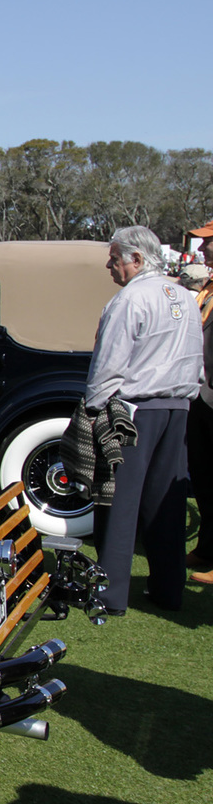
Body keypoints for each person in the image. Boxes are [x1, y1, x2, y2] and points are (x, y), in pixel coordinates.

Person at [84, 226, 202, 615]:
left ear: (136, 259)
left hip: (134, 409)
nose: (109, 265)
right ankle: (169, 589)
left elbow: (110, 361)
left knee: (119, 501)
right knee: (164, 502)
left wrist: (93, 407)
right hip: (178, 406)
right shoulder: (184, 296)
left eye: (114, 258)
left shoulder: (129, 300)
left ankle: (110, 594)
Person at [189, 238, 213, 582]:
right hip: (201, 395)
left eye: (209, 242)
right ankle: (207, 549)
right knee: (205, 479)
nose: (202, 248)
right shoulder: (206, 288)